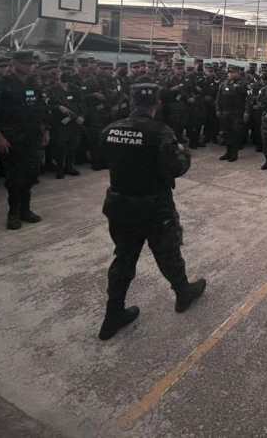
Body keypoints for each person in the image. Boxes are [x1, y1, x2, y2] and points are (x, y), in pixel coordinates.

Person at [97, 83, 206, 341]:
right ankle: (183, 293)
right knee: (168, 253)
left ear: (131, 101)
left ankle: (113, 314)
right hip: (154, 206)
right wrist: (185, 153)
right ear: (157, 104)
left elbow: (101, 158)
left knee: (123, 258)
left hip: (120, 205)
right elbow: (176, 168)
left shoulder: (111, 130)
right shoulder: (161, 132)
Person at [0, 51, 48, 230]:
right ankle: (14, 213)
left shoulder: (34, 83)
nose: (29, 66)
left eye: (31, 63)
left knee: (31, 174)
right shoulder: (0, 84)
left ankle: (25, 210)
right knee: (15, 178)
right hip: (11, 138)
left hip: (32, 137)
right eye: (25, 63)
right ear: (14, 63)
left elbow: (41, 109)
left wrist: (45, 130)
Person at [216, 65, 247, 162]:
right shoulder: (224, 84)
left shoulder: (243, 84)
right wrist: (218, 109)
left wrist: (246, 112)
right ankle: (227, 152)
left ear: (237, 73)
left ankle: (234, 153)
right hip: (225, 112)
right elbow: (218, 98)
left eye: (232, 72)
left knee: (235, 133)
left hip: (236, 113)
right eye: (229, 72)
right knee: (226, 133)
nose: (230, 74)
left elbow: (247, 99)